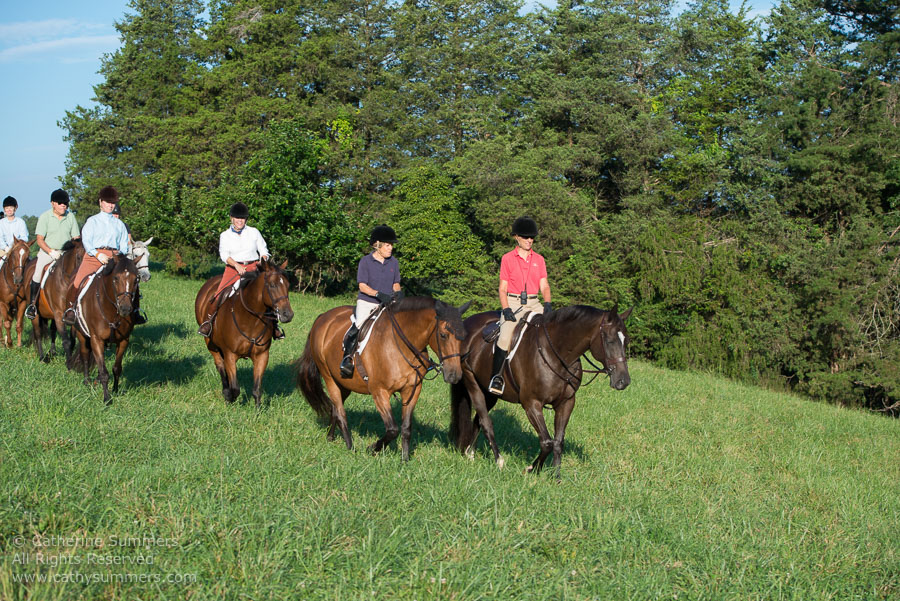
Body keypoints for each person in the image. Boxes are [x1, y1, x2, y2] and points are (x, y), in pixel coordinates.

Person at [488, 216, 553, 395]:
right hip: (514, 302)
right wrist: (506, 308)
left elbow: (544, 285)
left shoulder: (539, 260)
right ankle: (497, 377)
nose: (530, 240)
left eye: (532, 237)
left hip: (535, 302)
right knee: (505, 335)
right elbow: (502, 289)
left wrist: (547, 303)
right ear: (516, 237)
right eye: (526, 237)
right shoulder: (507, 259)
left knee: (553, 327)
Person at [197, 202, 274, 337]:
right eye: (237, 218)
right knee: (219, 294)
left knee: (269, 292)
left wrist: (263, 257)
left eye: (243, 218)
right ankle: (208, 323)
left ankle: (275, 327)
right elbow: (224, 255)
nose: (240, 221)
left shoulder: (254, 232)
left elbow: (263, 249)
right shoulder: (225, 235)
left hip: (254, 267)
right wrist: (237, 266)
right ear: (232, 218)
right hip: (233, 268)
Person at [340, 225, 403, 378]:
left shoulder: (393, 262)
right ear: (378, 245)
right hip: (368, 302)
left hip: (388, 303)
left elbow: (396, 283)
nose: (391, 248)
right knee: (360, 325)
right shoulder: (365, 262)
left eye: (391, 245)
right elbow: (362, 286)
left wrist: (398, 294)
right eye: (388, 245)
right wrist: (378, 294)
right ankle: (347, 359)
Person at [62, 186, 130, 324]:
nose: (110, 205)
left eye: (113, 203)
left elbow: (124, 244)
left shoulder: (120, 224)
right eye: (107, 202)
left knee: (129, 281)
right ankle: (71, 309)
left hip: (115, 257)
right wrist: (98, 255)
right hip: (94, 257)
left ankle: (134, 312)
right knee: (78, 281)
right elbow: (86, 241)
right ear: (100, 202)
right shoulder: (92, 221)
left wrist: (118, 255)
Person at [25, 189, 80, 319]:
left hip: (67, 253)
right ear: (52, 203)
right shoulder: (45, 217)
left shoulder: (70, 216)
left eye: (65, 203)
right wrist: (51, 251)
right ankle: (32, 305)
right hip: (48, 252)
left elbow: (76, 237)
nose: (63, 206)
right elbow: (39, 239)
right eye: (60, 203)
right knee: (37, 273)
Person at [0, 196, 29, 260]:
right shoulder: (1, 223)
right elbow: (0, 238)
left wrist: (16, 247)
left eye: (11, 207)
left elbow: (24, 237)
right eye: (7, 208)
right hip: (3, 250)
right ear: (4, 209)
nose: (9, 210)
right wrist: (6, 248)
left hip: (17, 249)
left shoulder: (21, 222)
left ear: (15, 208)